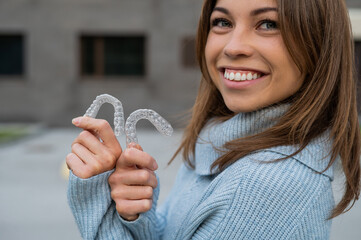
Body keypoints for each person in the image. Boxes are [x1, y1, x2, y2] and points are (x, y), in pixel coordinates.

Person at [66, 0, 361, 239]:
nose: (233, 47)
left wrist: (94, 203)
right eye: (223, 22)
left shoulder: (267, 186)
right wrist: (134, 214)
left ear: (319, 43)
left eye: (268, 24)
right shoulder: (219, 137)